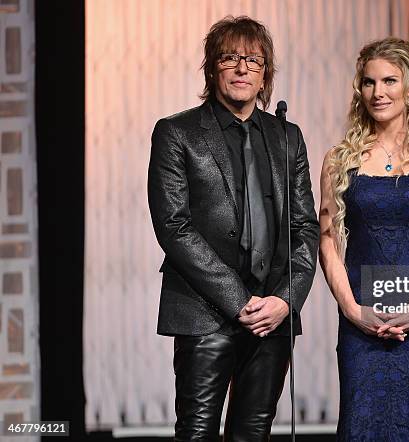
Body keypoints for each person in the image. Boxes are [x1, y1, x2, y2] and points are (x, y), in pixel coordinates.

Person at [147, 16, 319, 441]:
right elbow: (174, 226)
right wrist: (238, 301)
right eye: (230, 58)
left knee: (254, 432)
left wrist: (285, 299)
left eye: (253, 60)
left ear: (265, 75)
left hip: (272, 317)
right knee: (197, 431)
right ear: (212, 68)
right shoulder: (177, 133)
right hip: (204, 311)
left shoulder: (287, 137)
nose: (242, 69)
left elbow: (305, 227)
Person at [319, 37, 409, 441]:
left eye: (389, 81)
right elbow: (327, 242)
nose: (378, 92)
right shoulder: (338, 159)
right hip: (361, 320)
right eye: (368, 82)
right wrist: (352, 310)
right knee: (361, 425)